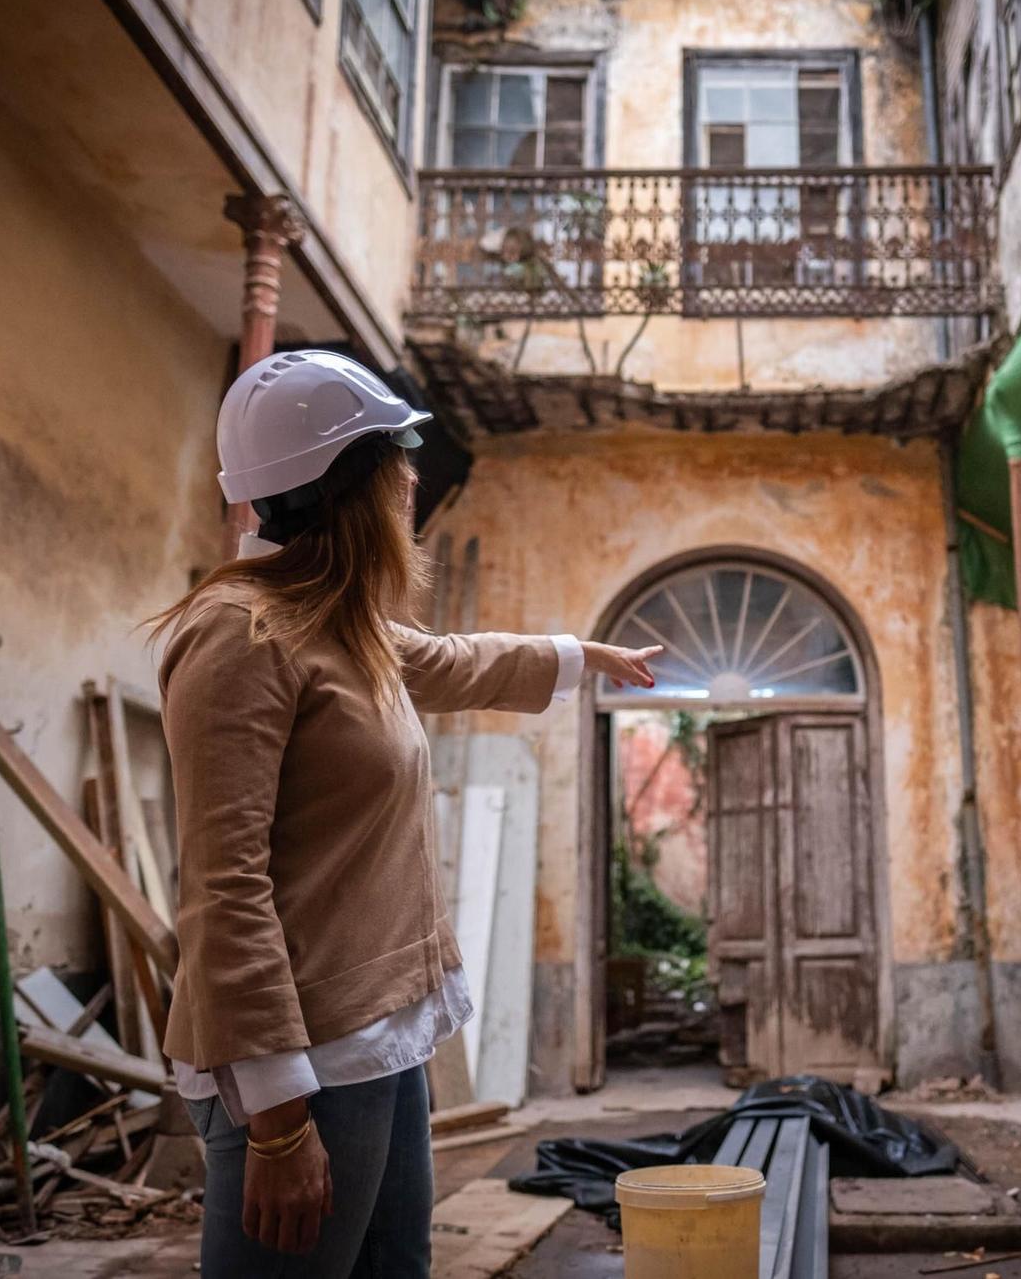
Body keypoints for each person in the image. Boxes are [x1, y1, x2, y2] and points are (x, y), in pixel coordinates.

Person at [149, 350, 661, 1276]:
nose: (412, 481)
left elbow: (454, 659)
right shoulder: (240, 635)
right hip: (303, 1066)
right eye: (396, 463)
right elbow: (224, 889)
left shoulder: (337, 619)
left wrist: (578, 655)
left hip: (383, 1035)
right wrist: (274, 1122)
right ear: (347, 489)